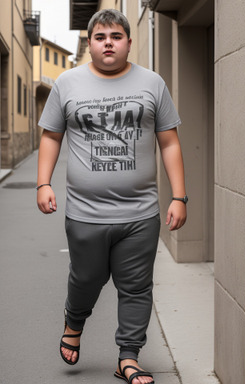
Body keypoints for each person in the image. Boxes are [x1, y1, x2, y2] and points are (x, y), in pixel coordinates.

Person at [37, 8, 187, 384]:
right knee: (86, 278)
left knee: (136, 286)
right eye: (101, 37)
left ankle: (128, 357)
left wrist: (179, 196)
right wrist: (43, 183)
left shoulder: (152, 83)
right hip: (86, 213)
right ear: (90, 44)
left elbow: (168, 141)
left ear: (128, 42)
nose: (108, 43)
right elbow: (51, 135)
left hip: (140, 213)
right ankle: (74, 323)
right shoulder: (67, 84)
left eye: (116, 37)